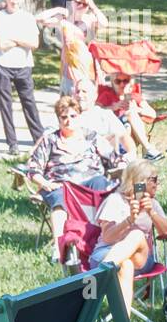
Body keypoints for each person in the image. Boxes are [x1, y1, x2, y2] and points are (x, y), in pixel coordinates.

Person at [27, 95, 115, 263]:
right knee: (59, 196)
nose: (68, 120)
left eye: (73, 116)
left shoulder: (92, 137)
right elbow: (33, 170)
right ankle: (58, 246)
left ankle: (105, 237)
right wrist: (45, 183)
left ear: (79, 116)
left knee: (101, 183)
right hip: (61, 185)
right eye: (64, 117)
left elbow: (116, 159)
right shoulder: (50, 140)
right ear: (58, 119)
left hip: (89, 183)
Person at [90, 159, 167, 319]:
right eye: (153, 180)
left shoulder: (152, 204)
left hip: (141, 259)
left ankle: (100, 275)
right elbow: (107, 237)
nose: (157, 184)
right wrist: (129, 220)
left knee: (137, 235)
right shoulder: (114, 200)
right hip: (106, 252)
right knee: (125, 265)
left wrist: (151, 213)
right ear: (138, 181)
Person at [0, 0, 45, 157]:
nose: (14, 1)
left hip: (23, 66)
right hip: (3, 65)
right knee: (6, 105)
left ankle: (39, 139)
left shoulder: (28, 18)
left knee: (29, 103)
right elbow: (2, 45)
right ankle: (12, 143)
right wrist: (22, 40)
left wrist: (13, 38)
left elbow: (34, 44)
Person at [37, 0, 106, 94]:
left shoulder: (90, 19)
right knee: (69, 98)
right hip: (70, 67)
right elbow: (39, 18)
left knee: (88, 97)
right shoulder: (63, 20)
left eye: (85, 4)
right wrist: (58, 9)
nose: (81, 5)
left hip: (88, 66)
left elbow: (104, 23)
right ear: (72, 3)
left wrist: (93, 6)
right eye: (78, 2)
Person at [98, 70, 163, 160]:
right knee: (128, 119)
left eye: (126, 81)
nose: (122, 84)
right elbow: (94, 111)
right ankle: (147, 149)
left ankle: (145, 150)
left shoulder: (134, 97)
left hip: (130, 131)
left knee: (130, 115)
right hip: (112, 130)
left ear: (131, 82)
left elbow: (152, 114)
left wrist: (137, 109)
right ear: (112, 83)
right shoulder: (107, 95)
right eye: (118, 81)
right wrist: (112, 107)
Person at [73, 79, 133, 165]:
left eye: (84, 91)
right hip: (78, 162)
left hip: (103, 163)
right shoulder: (68, 117)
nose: (80, 95)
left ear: (94, 96)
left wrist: (131, 155)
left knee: (113, 136)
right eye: (77, 91)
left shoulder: (104, 114)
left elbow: (123, 136)